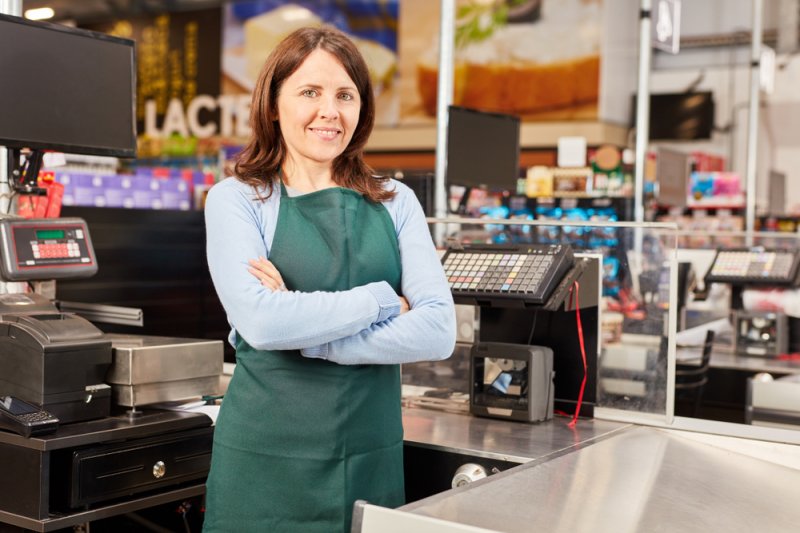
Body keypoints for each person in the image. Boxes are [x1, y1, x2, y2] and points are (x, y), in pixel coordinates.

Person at [203, 26, 457, 532]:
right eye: (310, 92)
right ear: (274, 104)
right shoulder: (239, 199)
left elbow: (439, 330)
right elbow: (262, 323)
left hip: (370, 453)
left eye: (345, 95)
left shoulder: (395, 200)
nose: (330, 111)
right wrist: (384, 300)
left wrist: (314, 338)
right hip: (265, 463)